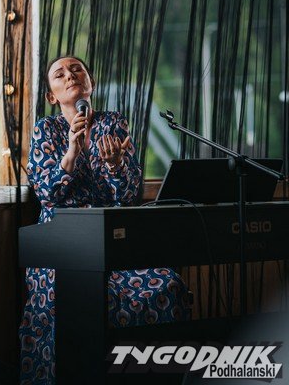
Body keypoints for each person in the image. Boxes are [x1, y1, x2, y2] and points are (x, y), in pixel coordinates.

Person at [19, 55, 191, 384]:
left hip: (108, 236)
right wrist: (71, 153)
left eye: (77, 70)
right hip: (61, 241)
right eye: (60, 74)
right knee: (68, 296)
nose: (70, 75)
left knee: (168, 285)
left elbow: (128, 194)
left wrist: (115, 166)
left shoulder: (113, 123)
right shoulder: (46, 130)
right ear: (51, 96)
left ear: (91, 83)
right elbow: (47, 194)